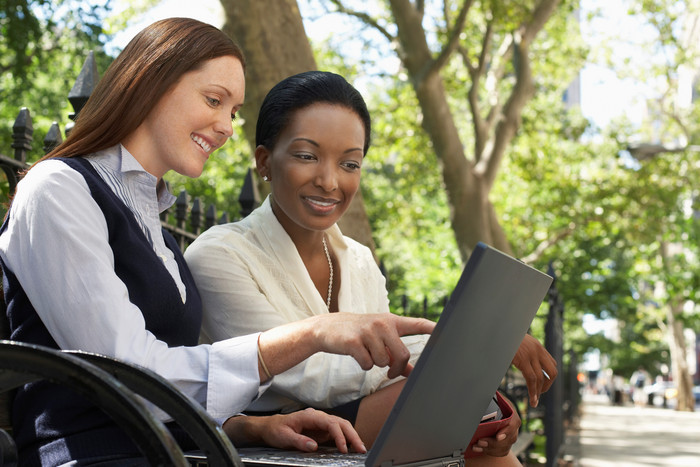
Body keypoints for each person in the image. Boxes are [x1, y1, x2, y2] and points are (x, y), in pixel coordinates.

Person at [0, 18, 436, 465]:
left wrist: (248, 426)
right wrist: (312, 334)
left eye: (233, 111)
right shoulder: (58, 189)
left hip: (178, 452)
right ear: (151, 81)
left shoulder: (161, 238)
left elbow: (169, 385)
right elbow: (125, 376)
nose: (228, 127)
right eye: (214, 100)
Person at [184, 70, 558, 464]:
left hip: (362, 429)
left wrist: (488, 403)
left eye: (350, 164)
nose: (330, 181)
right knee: (443, 400)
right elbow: (315, 378)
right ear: (264, 161)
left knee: (480, 434)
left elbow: (390, 369)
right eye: (307, 156)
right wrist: (479, 344)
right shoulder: (219, 255)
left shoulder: (360, 260)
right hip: (270, 439)